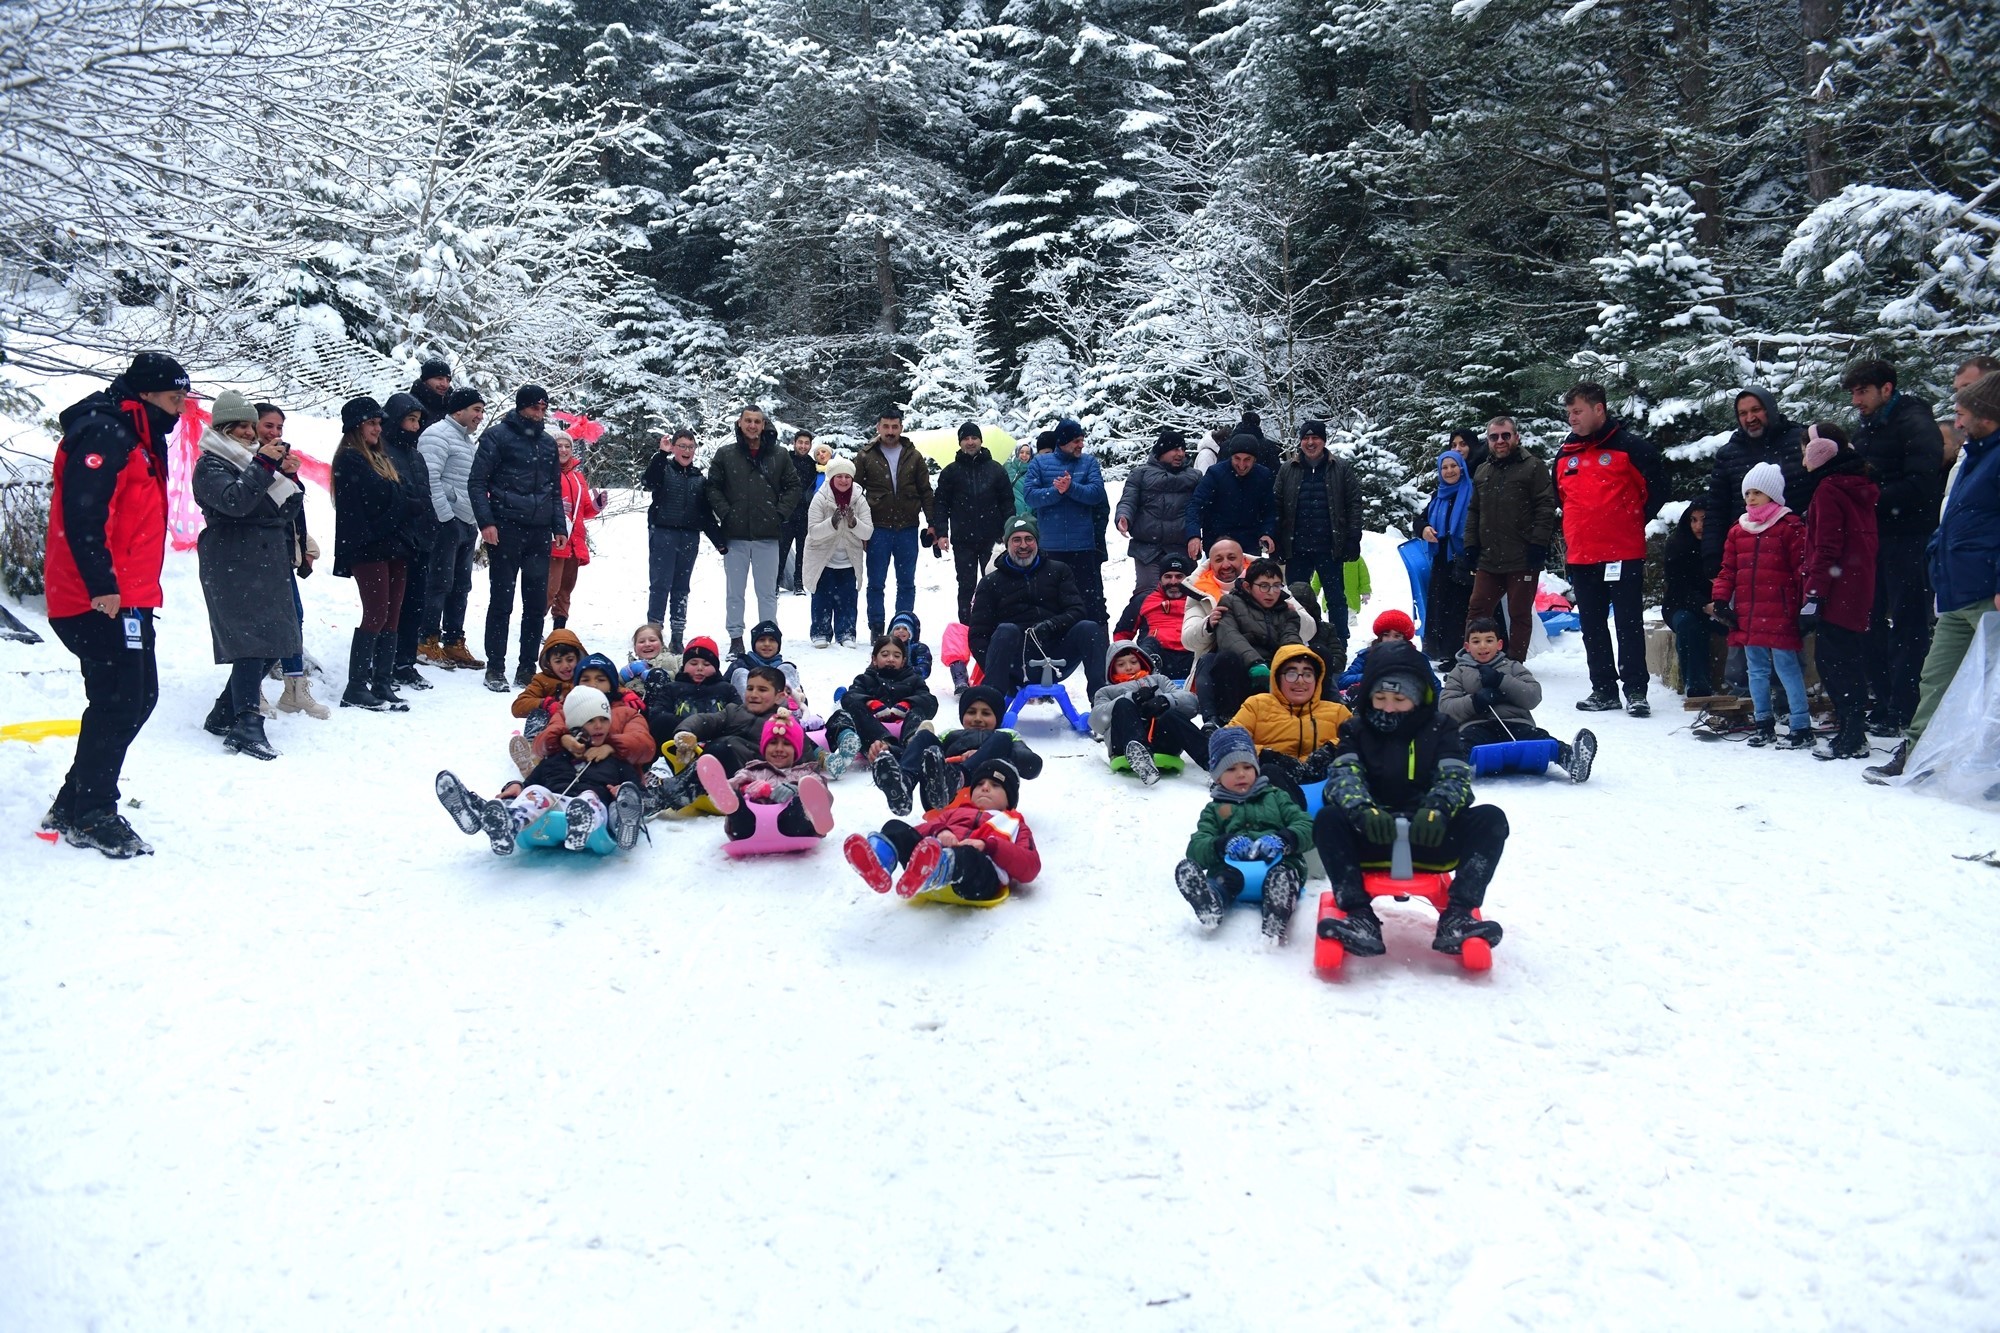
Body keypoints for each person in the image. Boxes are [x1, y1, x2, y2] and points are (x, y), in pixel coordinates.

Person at [39, 352, 186, 856]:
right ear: (145, 394)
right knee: (120, 699)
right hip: (95, 597)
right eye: (174, 398)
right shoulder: (105, 433)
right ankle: (93, 811)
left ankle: (74, 801)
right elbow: (83, 515)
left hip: (130, 596)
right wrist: (102, 585)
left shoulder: (139, 436)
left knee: (134, 697)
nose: (181, 409)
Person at [1313, 642, 1508, 958]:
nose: (1388, 707)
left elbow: (1455, 776)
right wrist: (1362, 809)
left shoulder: (1442, 728)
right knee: (1328, 819)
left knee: (1491, 819)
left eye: (1399, 699)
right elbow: (1344, 775)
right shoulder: (1355, 729)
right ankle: (1359, 914)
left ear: (1417, 699)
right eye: (1380, 698)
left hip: (1429, 836)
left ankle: (1458, 913)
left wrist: (1438, 809)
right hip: (1373, 836)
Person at [1867, 372, 2000, 782]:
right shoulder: (1974, 456)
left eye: (1961, 414)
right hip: (1955, 590)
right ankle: (1919, 754)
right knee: (1935, 676)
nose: (1955, 424)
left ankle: (1991, 770)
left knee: (1994, 688)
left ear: (1986, 414)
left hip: (1988, 593)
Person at [191, 389, 304, 760]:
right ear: (222, 428)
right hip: (232, 562)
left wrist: (291, 480)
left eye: (248, 425)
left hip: (266, 561)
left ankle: (224, 713)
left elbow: (282, 512)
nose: (246, 432)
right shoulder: (211, 465)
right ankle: (246, 724)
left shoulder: (251, 462)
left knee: (276, 642)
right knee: (250, 642)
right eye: (238, 426)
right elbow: (234, 503)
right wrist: (263, 467)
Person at [1845, 358, 1947, 736]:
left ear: (1887, 388)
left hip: (1910, 537)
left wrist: (1871, 498)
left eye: (1862, 391)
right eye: (1853, 393)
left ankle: (1905, 707)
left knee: (1908, 624)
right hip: (1875, 537)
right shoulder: (1869, 424)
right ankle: (1884, 700)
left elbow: (1923, 486)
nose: (1856, 400)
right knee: (1868, 619)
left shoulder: (1915, 422)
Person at [1553, 382, 1665, 715]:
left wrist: (1629, 522)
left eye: (1578, 411)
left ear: (1598, 409)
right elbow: (1563, 498)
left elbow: (1657, 489)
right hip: (1582, 555)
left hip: (1623, 553)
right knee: (1592, 626)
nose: (1572, 418)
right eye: (1569, 412)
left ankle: (1635, 690)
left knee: (1628, 624)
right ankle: (1603, 689)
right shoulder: (1566, 454)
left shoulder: (1632, 448)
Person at [435, 686, 646, 856]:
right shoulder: (556, 759)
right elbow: (529, 783)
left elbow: (635, 789)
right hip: (552, 810)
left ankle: (583, 824)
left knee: (589, 796)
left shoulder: (614, 760)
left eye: (603, 720)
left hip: (595, 818)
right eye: (590, 721)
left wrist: (622, 793)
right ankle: (508, 823)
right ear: (575, 726)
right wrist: (514, 787)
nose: (599, 726)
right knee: (537, 790)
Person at [1699, 388, 1812, 695]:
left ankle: (1787, 696)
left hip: (1785, 556)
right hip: (1745, 555)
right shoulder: (1730, 452)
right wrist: (1712, 553)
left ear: (1770, 409)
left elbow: (1814, 493)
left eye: (1756, 410)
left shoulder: (1797, 441)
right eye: (1743, 413)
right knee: (1741, 630)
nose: (1750, 418)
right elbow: (1717, 506)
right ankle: (1742, 693)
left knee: (1784, 631)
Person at [1170, 726, 1313, 942]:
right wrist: (1222, 844)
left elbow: (1306, 825)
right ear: (1217, 777)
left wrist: (1284, 839)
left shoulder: (1276, 797)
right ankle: (1211, 902)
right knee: (1223, 880)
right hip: (1234, 869)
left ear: (1256, 768)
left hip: (1277, 863)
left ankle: (1278, 911)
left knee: (1283, 876)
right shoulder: (1214, 809)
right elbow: (1196, 847)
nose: (1241, 774)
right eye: (1230, 769)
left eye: (1247, 766)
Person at [1710, 462, 1811, 748]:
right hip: (1748, 612)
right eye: (1748, 493)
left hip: (1780, 611)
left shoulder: (1789, 527)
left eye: (1758, 492)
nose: (1751, 498)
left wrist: (1805, 605)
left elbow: (1801, 570)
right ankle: (1763, 721)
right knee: (1755, 669)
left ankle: (1800, 724)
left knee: (1787, 667)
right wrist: (1720, 598)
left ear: (1773, 495)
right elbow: (1728, 569)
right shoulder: (1737, 531)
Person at [469, 384, 563, 691]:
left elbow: (555, 487)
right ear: (521, 407)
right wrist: (486, 523)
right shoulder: (497, 436)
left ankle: (526, 667)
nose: (539, 413)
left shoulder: (548, 443)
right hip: (506, 527)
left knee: (536, 604)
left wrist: (559, 526)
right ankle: (495, 666)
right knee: (502, 601)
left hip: (539, 531)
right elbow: (476, 482)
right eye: (534, 407)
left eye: (543, 408)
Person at [844, 759, 1040, 903]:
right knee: (894, 827)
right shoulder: (956, 812)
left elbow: (1030, 866)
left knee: (968, 855)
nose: (985, 788)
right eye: (979, 784)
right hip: (930, 857)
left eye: (995, 785)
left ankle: (936, 871)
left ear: (1010, 799)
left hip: (979, 877)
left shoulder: (1015, 825)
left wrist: (988, 846)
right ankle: (879, 864)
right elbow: (918, 830)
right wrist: (940, 831)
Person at [1797, 424, 1879, 760]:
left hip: (1836, 588)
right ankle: (1852, 729)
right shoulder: (1857, 485)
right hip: (1857, 584)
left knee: (1834, 661)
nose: (1802, 458)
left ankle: (1852, 733)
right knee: (1848, 658)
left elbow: (1827, 546)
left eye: (1804, 449)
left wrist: (1814, 593)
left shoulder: (1829, 489)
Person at [966, 515, 1109, 702]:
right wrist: (997, 670)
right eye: (1016, 540)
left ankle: (1101, 704)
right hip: (1014, 662)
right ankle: (993, 704)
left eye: (1029, 539)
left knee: (1089, 628)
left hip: (1057, 657)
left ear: (1037, 542)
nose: (1023, 546)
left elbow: (1076, 610)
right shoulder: (990, 582)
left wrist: (1051, 625)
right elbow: (978, 635)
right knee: (1005, 630)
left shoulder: (1059, 571)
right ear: (1007, 543)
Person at [330, 396, 412, 713]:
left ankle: (381, 680)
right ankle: (355, 685)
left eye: (379, 423)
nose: (378, 428)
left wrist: (400, 502)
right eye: (371, 423)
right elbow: (378, 501)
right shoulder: (351, 459)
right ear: (356, 427)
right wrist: (402, 503)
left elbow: (397, 496)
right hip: (368, 547)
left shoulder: (381, 458)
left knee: (392, 616)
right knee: (376, 613)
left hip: (393, 546)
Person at [1438, 618, 1596, 781]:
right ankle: (1453, 771)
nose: (1483, 646)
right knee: (1462, 743)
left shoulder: (1513, 667)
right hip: (1477, 725)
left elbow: (1533, 697)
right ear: (1467, 647)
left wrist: (1502, 681)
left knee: (1542, 739)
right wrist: (1475, 701)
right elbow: (1445, 707)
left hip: (1515, 723)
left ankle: (1571, 760)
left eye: (1489, 640)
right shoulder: (1459, 672)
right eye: (1476, 641)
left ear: (1499, 644)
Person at [251, 401, 329, 719]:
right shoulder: (247, 460)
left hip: (282, 553)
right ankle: (249, 689)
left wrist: (293, 479)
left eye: (279, 428)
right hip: (253, 556)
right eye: (268, 426)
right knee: (258, 623)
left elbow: (292, 511)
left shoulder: (282, 460)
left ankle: (294, 689)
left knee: (292, 617)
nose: (275, 433)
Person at [707, 404, 803, 654]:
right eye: (747, 421)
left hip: (767, 536)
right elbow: (712, 488)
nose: (752, 425)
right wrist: (726, 512)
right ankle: (736, 638)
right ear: (740, 423)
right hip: (735, 535)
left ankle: (768, 637)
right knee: (735, 592)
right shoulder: (725, 454)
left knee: (767, 593)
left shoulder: (779, 455)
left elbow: (794, 486)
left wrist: (779, 513)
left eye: (757, 421)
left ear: (763, 425)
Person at [1463, 416, 1557, 662]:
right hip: (1489, 557)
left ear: (1516, 437)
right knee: (1477, 609)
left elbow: (1545, 506)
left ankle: (1515, 664)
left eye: (1506, 435)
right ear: (1488, 440)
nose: (1500, 441)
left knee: (1519, 613)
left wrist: (1539, 543)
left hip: (1523, 556)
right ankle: (1474, 660)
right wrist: (1470, 545)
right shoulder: (1483, 470)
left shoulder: (1533, 466)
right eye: (1494, 437)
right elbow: (1474, 510)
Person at [1272, 419, 1362, 652]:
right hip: (1297, 547)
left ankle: (1339, 643)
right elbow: (1277, 505)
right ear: (1300, 441)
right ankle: (1294, 639)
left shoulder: (1341, 468)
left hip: (1329, 546)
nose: (1310, 443)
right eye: (1306, 438)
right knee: (1293, 598)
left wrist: (1353, 538)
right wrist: (1277, 539)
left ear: (1324, 441)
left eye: (1315, 438)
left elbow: (1353, 504)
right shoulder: (1287, 469)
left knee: (1336, 598)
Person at [415, 387, 487, 670]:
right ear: (459, 410)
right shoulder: (436, 435)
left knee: (461, 585)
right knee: (439, 582)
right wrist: (445, 519)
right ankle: (426, 639)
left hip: (466, 522)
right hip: (447, 521)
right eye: (476, 410)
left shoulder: (466, 440)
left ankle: (454, 641)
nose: (480, 416)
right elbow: (429, 479)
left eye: (481, 410)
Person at [1227, 643, 1351, 806]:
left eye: (1307, 674)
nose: (1300, 681)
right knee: (1270, 771)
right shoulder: (1257, 705)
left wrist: (1332, 750)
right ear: (1277, 677)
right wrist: (1265, 755)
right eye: (1291, 674)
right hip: (1274, 790)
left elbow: (1363, 739)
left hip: (1326, 790)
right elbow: (1228, 741)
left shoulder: (1337, 711)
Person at [686, 710, 837, 842]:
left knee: (798, 801)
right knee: (739, 801)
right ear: (764, 748)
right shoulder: (754, 769)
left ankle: (818, 821)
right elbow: (737, 780)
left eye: (786, 744)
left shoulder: (805, 773)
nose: (779, 749)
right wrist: (735, 790)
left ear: (796, 750)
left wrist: (797, 790)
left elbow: (822, 792)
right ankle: (729, 803)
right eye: (772, 743)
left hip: (793, 828)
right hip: (751, 827)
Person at [853, 406, 936, 639]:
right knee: (876, 582)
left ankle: (902, 626)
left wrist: (932, 522)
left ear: (901, 427)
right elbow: (855, 494)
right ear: (878, 427)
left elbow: (925, 492)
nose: (890, 431)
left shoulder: (914, 456)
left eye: (895, 426)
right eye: (886, 426)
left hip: (907, 528)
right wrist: (859, 528)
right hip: (877, 528)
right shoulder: (865, 456)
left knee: (906, 582)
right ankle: (877, 628)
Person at [901, 684, 1046, 814]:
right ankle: (904, 783)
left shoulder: (1006, 736)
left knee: (1002, 738)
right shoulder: (948, 735)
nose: (977, 718)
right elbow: (917, 755)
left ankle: (959, 778)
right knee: (924, 737)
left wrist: (987, 756)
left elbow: (1032, 765)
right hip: (941, 799)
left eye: (986, 713)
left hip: (988, 794)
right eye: (971, 712)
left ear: (998, 717)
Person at [1021, 417, 1110, 622]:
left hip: (1083, 546)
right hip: (1051, 547)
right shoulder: (1040, 463)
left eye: (1082, 440)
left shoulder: (1088, 462)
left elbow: (1096, 494)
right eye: (1076, 441)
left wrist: (1071, 488)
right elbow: (1030, 496)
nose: (1081, 445)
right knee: (1050, 600)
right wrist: (1057, 492)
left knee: (1090, 601)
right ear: (1062, 441)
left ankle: (1094, 644)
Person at [378, 392, 438, 691]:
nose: (414, 427)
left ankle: (405, 662)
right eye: (410, 420)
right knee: (390, 606)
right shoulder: (382, 452)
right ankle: (384, 664)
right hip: (394, 540)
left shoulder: (415, 454)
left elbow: (425, 495)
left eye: (418, 421)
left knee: (415, 604)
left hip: (420, 539)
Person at [1114, 428, 1201, 632]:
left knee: (1186, 594)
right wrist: (1123, 517)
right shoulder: (1141, 473)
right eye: (1174, 449)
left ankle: (1182, 635)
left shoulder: (1195, 476)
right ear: (1162, 451)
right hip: (1147, 548)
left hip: (1180, 546)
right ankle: (1148, 634)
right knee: (1147, 594)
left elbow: (1201, 507)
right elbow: (1128, 499)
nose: (1180, 453)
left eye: (1182, 449)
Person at [843, 635, 940, 815]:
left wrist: (908, 703)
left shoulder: (913, 679)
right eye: (885, 654)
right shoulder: (865, 679)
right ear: (874, 659)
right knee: (853, 708)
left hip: (904, 724)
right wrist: (870, 703)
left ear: (903, 661)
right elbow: (850, 697)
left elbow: (929, 700)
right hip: (873, 727)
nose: (890, 659)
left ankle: (913, 740)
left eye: (896, 656)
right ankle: (883, 745)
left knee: (919, 708)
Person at [1089, 640, 1206, 782]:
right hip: (1124, 744)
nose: (1128, 667)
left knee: (1171, 714)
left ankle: (1214, 762)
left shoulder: (1159, 681)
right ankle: (1139, 755)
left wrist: (1165, 701)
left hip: (1162, 740)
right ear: (1112, 668)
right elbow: (1096, 722)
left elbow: (1192, 704)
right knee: (1122, 704)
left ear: (1142, 661)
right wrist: (1132, 698)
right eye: (1121, 664)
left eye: (1133, 662)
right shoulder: (1106, 692)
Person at [640, 429, 714, 653]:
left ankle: (678, 636)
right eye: (681, 446)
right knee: (660, 585)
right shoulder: (664, 468)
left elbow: (706, 514)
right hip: (663, 532)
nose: (686, 451)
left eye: (690, 447)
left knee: (682, 588)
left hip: (689, 536)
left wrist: (720, 541)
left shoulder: (699, 477)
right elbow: (648, 481)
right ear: (673, 447)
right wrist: (660, 455)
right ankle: (654, 634)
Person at [932, 422, 1015, 621]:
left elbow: (1007, 501)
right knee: (966, 586)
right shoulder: (950, 472)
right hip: (963, 540)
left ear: (980, 441)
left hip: (993, 538)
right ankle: (966, 627)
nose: (970, 442)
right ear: (960, 443)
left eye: (974, 438)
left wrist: (1009, 530)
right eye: (966, 439)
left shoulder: (995, 469)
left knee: (995, 582)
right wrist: (942, 533)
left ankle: (995, 624)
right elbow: (941, 504)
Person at [804, 456, 871, 647]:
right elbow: (813, 531)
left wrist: (853, 522)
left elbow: (868, 531)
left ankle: (847, 633)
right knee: (821, 598)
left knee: (848, 599)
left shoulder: (859, 498)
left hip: (849, 558)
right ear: (831, 478)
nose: (843, 480)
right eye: (839, 476)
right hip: (823, 558)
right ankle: (820, 632)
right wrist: (832, 523)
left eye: (847, 477)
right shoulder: (820, 498)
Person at [1419, 450, 1475, 668]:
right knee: (1441, 608)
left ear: (1462, 467)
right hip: (1442, 560)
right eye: (1444, 467)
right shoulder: (1438, 495)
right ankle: (1446, 652)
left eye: (1453, 466)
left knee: (1462, 609)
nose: (1449, 471)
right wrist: (1423, 529)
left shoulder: (1471, 492)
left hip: (1465, 560)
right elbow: (1420, 520)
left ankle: (1462, 655)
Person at [1185, 435, 1277, 561]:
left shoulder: (1263, 476)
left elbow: (1269, 510)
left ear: (1254, 459)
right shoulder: (1216, 474)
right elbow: (1196, 505)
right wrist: (1194, 535)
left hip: (1249, 542)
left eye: (1247, 460)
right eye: (1237, 459)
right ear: (1231, 457)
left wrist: (1267, 532)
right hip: (1218, 540)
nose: (1241, 464)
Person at [544, 432, 601, 632]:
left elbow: (585, 510)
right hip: (554, 540)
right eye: (559, 446)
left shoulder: (578, 477)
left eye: (567, 446)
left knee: (566, 590)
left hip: (574, 541)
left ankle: (558, 631)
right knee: (549, 590)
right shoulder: (544, 472)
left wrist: (597, 505)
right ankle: (532, 627)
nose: (564, 450)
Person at [1661, 501, 1718, 699]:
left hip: (1720, 602)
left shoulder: (1722, 543)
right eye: (1693, 520)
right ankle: (1696, 685)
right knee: (1688, 624)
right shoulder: (1677, 544)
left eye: (1704, 520)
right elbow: (1678, 586)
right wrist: (1703, 605)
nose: (1698, 526)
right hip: (1681, 604)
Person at [642, 635, 739, 743]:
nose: (700, 668)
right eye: (693, 663)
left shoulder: (726, 689)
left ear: (715, 668)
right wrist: (689, 726)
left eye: (706, 664)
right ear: (684, 665)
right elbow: (657, 716)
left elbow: (739, 717)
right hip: (678, 745)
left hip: (718, 746)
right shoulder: (672, 689)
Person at [1132, 552, 1196, 680]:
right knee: (1149, 643)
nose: (1173, 582)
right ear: (1160, 579)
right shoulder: (1144, 600)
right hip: (1158, 659)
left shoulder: (1198, 599)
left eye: (1179, 576)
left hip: (1192, 657)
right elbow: (1122, 634)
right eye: (1168, 576)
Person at [511, 628, 585, 724]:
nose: (565, 666)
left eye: (570, 660)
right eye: (558, 661)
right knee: (539, 715)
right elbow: (518, 707)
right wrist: (545, 703)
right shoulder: (542, 681)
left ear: (578, 659)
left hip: (580, 728)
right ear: (549, 663)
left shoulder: (584, 678)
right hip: (550, 730)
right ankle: (534, 738)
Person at [726, 619, 806, 704]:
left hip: (781, 713)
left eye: (772, 640)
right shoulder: (741, 664)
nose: (767, 644)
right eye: (762, 640)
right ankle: (749, 712)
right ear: (754, 644)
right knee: (740, 672)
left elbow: (803, 699)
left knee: (787, 668)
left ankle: (793, 710)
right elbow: (721, 691)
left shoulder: (784, 670)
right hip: (747, 714)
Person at [1339, 609, 1417, 694]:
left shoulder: (1415, 659)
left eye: (1397, 636)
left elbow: (1431, 687)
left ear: (1404, 639)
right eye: (1386, 635)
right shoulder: (1367, 655)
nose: (1390, 640)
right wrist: (1371, 676)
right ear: (1380, 637)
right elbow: (1342, 681)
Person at [779, 429, 818, 594]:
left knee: (803, 551)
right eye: (800, 442)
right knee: (782, 550)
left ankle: (799, 583)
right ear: (794, 443)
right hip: (787, 513)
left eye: (806, 443)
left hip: (805, 514)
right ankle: (775, 581)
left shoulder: (812, 464)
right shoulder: (785, 459)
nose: (803, 446)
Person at [623, 622, 675, 688]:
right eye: (641, 642)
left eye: (652, 640)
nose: (647, 644)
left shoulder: (672, 660)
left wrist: (659, 674)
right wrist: (624, 675)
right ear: (635, 649)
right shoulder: (631, 668)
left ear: (662, 645)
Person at [409, 357, 452, 430]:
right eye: (439, 378)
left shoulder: (452, 405)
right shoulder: (411, 405)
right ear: (425, 380)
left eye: (448, 380)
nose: (445, 384)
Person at [888, 611, 932, 680]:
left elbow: (924, 669)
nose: (901, 631)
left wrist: (904, 672)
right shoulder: (886, 647)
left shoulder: (919, 648)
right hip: (888, 684)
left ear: (911, 632)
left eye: (905, 628)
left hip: (912, 684)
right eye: (897, 628)